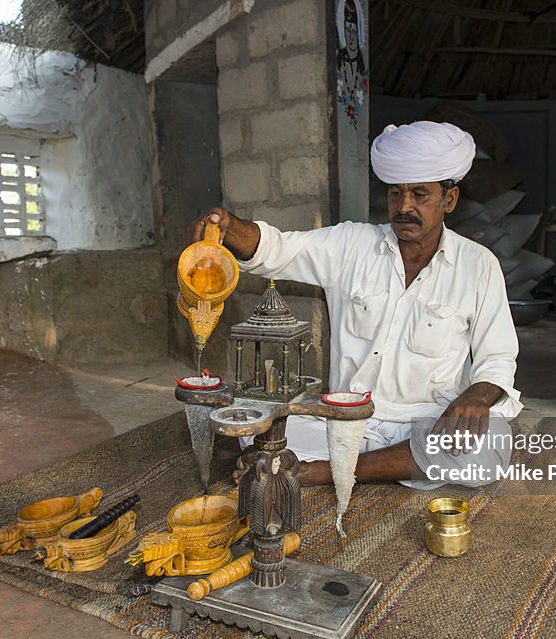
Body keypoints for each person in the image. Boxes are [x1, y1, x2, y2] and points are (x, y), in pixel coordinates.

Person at [187, 121, 521, 489]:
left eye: (420, 196)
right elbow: (277, 250)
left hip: (431, 421)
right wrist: (228, 225)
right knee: (256, 419)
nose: (404, 207)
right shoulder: (353, 244)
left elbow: (498, 358)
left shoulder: (478, 264)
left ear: (450, 199)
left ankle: (322, 471)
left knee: (490, 443)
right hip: (347, 418)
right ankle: (381, 463)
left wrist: (474, 397)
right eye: (396, 194)